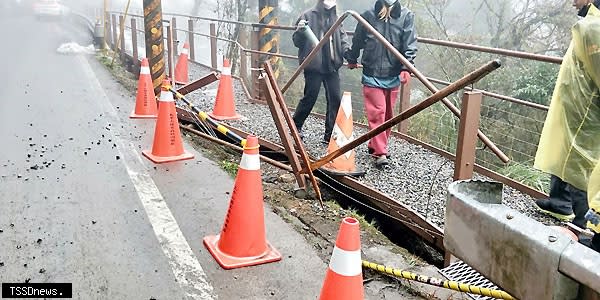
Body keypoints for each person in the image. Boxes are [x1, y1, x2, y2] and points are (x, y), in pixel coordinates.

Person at [534, 0, 600, 252]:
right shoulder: (588, 22)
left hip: (587, 117)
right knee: (570, 162)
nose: (571, 1)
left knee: (582, 169)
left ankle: (588, 235)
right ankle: (563, 206)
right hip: (575, 111)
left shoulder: (594, 27)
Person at [344, 0, 417, 168]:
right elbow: (358, 40)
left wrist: (406, 67)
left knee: (388, 116)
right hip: (372, 72)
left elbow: (409, 43)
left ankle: (375, 144)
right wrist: (352, 58)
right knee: (378, 112)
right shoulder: (368, 15)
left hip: (393, 73)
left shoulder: (406, 16)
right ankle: (381, 152)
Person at [292, 0, 350, 144]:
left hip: (332, 65)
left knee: (335, 98)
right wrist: (299, 31)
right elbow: (296, 41)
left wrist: (348, 53)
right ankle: (295, 125)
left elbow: (342, 39)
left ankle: (329, 135)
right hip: (314, 65)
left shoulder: (336, 17)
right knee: (310, 96)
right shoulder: (307, 15)